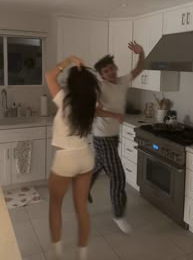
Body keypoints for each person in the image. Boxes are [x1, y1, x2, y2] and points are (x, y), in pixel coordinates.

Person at [45, 55, 100, 260]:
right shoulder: (90, 103)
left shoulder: (64, 100)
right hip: (85, 157)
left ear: (70, 84)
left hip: (65, 159)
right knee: (81, 208)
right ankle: (82, 254)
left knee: (55, 206)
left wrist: (69, 60)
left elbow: (49, 76)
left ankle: (57, 254)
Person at [90, 41, 145, 233]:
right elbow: (94, 111)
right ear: (101, 75)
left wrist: (141, 52)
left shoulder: (121, 81)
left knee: (100, 164)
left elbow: (139, 69)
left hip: (113, 135)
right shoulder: (99, 87)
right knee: (118, 176)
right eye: (106, 70)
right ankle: (119, 215)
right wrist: (114, 115)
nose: (111, 72)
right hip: (102, 136)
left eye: (112, 68)